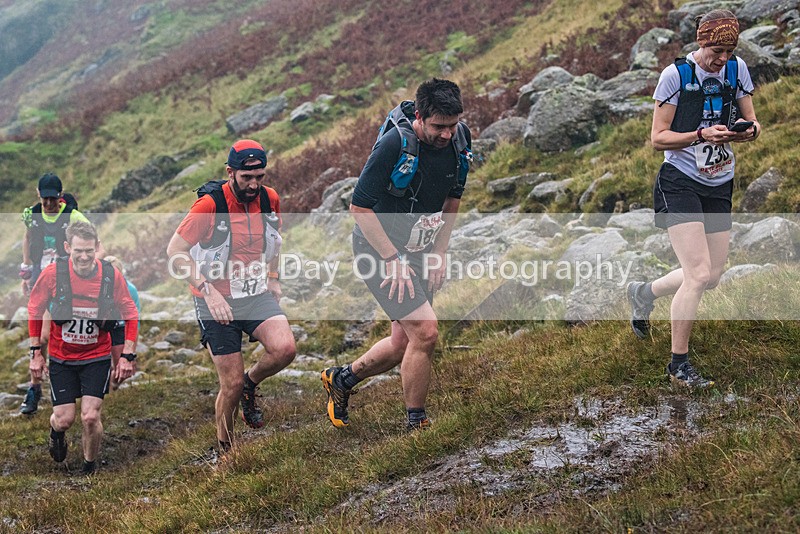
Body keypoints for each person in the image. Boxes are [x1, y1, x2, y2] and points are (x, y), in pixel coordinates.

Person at [321, 78, 472, 430]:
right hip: (378, 249)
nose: (447, 134)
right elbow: (359, 207)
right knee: (426, 332)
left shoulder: (460, 137)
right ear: (419, 116)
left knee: (403, 341)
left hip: (420, 248)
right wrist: (393, 260)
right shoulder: (394, 145)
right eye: (438, 127)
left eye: (452, 125)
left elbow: (453, 199)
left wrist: (439, 251)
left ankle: (341, 379)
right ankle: (416, 423)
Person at [627, 9, 760, 388]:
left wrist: (745, 132)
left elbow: (753, 119)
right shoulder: (677, 76)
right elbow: (658, 138)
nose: (722, 59)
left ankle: (643, 293)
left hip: (719, 180)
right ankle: (678, 366)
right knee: (698, 273)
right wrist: (701, 135)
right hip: (680, 180)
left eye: (729, 50)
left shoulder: (737, 70)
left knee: (711, 277)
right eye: (717, 50)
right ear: (701, 42)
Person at [166, 139, 296, 453]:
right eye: (246, 177)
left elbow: (274, 241)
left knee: (285, 349)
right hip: (214, 299)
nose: (253, 184)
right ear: (230, 172)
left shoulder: (269, 199)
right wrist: (209, 294)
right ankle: (227, 451)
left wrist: (274, 278)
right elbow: (175, 252)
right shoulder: (210, 206)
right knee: (231, 385)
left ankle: (252, 384)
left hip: (253, 293)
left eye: (260, 177)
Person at [27, 221, 138, 474]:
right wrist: (36, 354)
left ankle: (89, 468)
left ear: (97, 247)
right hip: (61, 357)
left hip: (96, 356)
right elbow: (34, 309)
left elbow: (130, 313)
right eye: (79, 251)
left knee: (90, 416)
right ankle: (56, 433)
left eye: (89, 250)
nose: (85, 256)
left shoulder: (110, 275)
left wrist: (127, 355)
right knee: (64, 419)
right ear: (68, 248)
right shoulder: (53, 274)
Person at [19, 173, 103, 415]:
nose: (48, 204)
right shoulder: (32, 214)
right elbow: (28, 239)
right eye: (44, 199)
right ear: (38, 195)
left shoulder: (74, 217)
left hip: (66, 284)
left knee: (57, 333)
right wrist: (26, 270)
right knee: (42, 337)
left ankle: (72, 381)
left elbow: (94, 242)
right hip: (40, 280)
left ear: (60, 195)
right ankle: (35, 388)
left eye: (52, 199)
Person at [104, 256, 141, 390]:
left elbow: (135, 321)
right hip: (103, 328)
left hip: (121, 327)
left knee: (121, 370)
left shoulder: (130, 290)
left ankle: (114, 384)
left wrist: (131, 350)